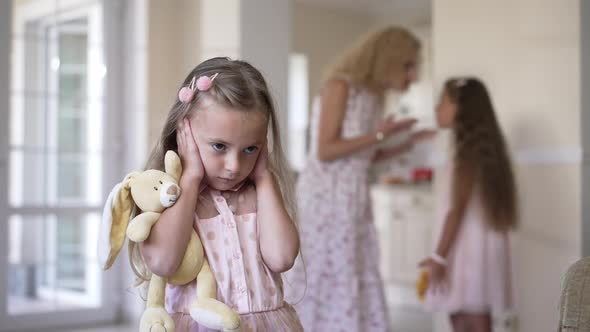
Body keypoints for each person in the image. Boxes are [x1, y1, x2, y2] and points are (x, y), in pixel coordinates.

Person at [132, 57, 303, 331]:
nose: (235, 166)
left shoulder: (260, 195)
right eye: (220, 146)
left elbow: (281, 258)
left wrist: (264, 178)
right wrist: (190, 177)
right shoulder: (167, 196)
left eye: (250, 149)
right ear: (184, 132)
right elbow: (163, 262)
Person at [285, 26, 430, 331]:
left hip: (354, 197)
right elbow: (325, 150)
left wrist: (403, 142)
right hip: (327, 199)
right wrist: (379, 134)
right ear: (387, 59)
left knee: (356, 266)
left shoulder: (373, 97)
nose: (412, 75)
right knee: (329, 270)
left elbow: (363, 157)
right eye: (408, 65)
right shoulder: (340, 86)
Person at [420, 77, 517, 332]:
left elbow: (457, 209)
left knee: (469, 318)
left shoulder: (467, 155)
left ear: (460, 109)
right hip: (473, 246)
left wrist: (438, 257)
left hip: (466, 250)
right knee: (466, 315)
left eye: (443, 102)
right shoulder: (477, 150)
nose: (436, 108)